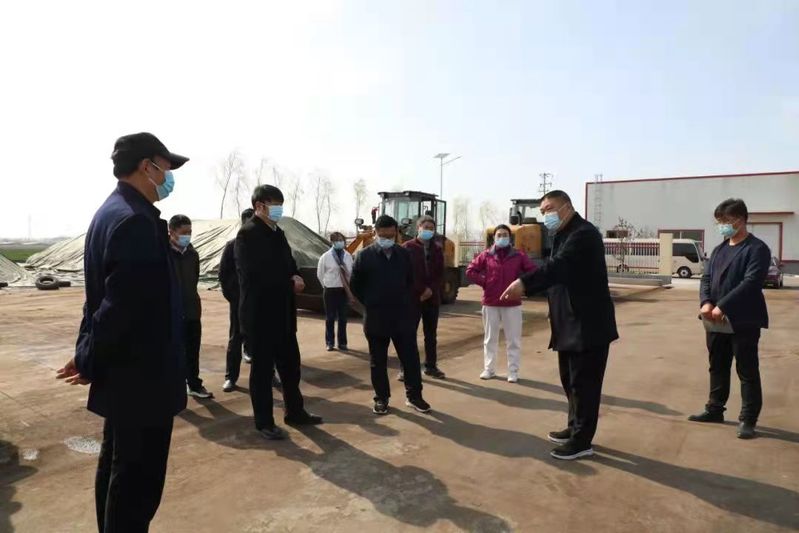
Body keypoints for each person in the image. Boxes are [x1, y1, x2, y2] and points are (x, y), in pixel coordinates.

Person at [56, 132, 189, 531]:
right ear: (147, 167)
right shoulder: (135, 222)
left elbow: (97, 301)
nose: (168, 178)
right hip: (143, 379)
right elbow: (119, 309)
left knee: (118, 473)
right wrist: (89, 359)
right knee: (136, 485)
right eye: (165, 169)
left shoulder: (111, 213)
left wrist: (88, 353)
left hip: (127, 380)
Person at [501, 190, 618, 461]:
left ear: (566, 207)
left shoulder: (584, 234)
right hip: (569, 322)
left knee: (584, 385)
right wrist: (553, 309)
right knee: (570, 381)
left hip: (588, 325)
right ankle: (574, 427)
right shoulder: (563, 234)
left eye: (549, 209)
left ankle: (582, 441)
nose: (546, 215)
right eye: (542, 211)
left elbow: (558, 267)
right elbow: (560, 279)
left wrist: (524, 283)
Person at [235, 184, 322, 440]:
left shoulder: (278, 233)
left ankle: (295, 412)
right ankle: (264, 422)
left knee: (290, 367)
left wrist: (295, 274)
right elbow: (255, 275)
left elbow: (288, 263)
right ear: (259, 206)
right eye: (275, 205)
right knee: (262, 372)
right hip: (260, 315)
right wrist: (288, 282)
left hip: (283, 313)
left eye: (280, 205)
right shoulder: (248, 234)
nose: (278, 210)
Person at [690, 198, 771, 439]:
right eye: (719, 221)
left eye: (726, 220)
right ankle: (715, 409)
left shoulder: (756, 249)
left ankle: (748, 419)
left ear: (741, 219)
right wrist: (706, 302)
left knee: (747, 370)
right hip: (715, 319)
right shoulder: (719, 250)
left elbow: (751, 282)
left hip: (743, 319)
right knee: (717, 365)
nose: (722, 225)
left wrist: (723, 305)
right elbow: (706, 279)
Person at [350, 215, 432, 415]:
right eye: (383, 235)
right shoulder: (364, 256)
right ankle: (381, 398)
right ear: (375, 233)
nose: (387, 238)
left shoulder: (404, 255)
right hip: (376, 317)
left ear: (396, 233)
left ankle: (414, 397)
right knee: (378, 362)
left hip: (402, 316)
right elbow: (355, 286)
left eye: (390, 235)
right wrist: (371, 302)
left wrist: (407, 302)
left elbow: (411, 281)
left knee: (410, 359)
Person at [219, 209, 281, 393]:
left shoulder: (267, 245)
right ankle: (231, 378)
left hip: (262, 301)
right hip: (240, 303)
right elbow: (224, 275)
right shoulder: (232, 246)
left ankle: (270, 374)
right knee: (235, 339)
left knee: (265, 340)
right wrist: (234, 298)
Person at [466, 224, 536, 383]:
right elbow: (470, 270)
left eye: (505, 235)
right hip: (490, 302)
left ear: (510, 238)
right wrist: (485, 282)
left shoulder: (519, 255)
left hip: (512, 303)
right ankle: (489, 369)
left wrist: (522, 284)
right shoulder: (486, 255)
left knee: (513, 340)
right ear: (494, 238)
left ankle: (513, 371)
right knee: (490, 339)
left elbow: (532, 271)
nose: (502, 237)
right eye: (499, 235)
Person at [168, 214, 213, 400]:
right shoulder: (163, 254)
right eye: (183, 232)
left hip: (192, 310)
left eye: (190, 232)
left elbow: (193, 280)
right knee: (172, 353)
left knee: (192, 351)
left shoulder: (192, 255)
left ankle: (194, 384)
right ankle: (171, 388)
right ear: (171, 232)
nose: (187, 236)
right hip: (171, 313)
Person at [401, 215, 446, 380]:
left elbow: (439, 273)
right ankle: (406, 369)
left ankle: (431, 366)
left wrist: (431, 290)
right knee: (408, 335)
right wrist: (421, 290)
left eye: (431, 228)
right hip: (414, 299)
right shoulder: (407, 247)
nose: (428, 230)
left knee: (431, 335)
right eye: (425, 227)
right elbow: (406, 274)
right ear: (418, 228)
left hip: (432, 299)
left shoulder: (437, 249)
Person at [316, 231, 354, 351]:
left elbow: (351, 273)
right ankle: (330, 342)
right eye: (337, 240)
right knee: (330, 318)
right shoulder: (325, 256)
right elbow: (320, 274)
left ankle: (342, 343)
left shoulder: (348, 256)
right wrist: (326, 285)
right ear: (332, 242)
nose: (340, 242)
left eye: (341, 240)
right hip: (330, 290)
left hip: (343, 290)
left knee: (343, 318)